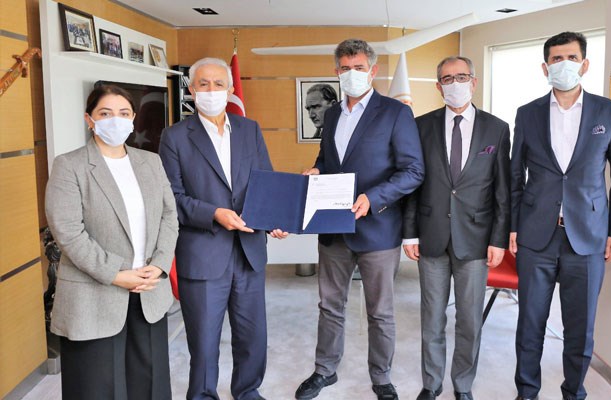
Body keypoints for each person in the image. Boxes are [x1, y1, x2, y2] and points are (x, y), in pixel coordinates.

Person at [294, 38, 424, 400]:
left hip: (378, 228)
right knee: (329, 306)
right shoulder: (333, 113)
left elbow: (413, 171)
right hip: (333, 228)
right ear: (336, 71)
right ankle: (325, 369)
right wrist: (317, 170)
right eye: (345, 68)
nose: (352, 74)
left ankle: (381, 376)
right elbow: (328, 159)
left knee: (380, 312)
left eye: (359, 68)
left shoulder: (395, 113)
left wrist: (374, 197)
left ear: (373, 70)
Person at [509, 31, 611, 400]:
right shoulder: (528, 113)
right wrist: (513, 227)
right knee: (530, 324)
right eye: (557, 59)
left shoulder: (608, 111)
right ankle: (526, 392)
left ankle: (574, 392)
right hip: (536, 236)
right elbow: (515, 177)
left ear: (585, 64)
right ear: (545, 67)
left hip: (589, 237)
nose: (564, 64)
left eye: (572, 58)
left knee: (580, 330)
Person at [158, 57, 288, 400]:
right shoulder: (174, 137)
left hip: (249, 251)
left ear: (231, 89)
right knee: (203, 341)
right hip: (202, 253)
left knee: (252, 335)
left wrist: (275, 218)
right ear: (191, 89)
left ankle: (247, 390)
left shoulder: (249, 129)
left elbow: (266, 183)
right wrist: (214, 213)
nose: (211, 90)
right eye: (203, 84)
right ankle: (202, 395)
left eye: (219, 84)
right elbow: (171, 198)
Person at [45, 84, 179, 400]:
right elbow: (69, 232)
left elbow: (169, 216)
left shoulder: (151, 161)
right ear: (89, 119)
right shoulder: (70, 165)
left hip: (148, 290)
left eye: (123, 113)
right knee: (98, 387)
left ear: (132, 119)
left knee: (150, 386)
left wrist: (160, 265)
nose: (115, 120)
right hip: (94, 294)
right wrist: (116, 274)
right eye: (105, 113)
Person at [403, 56, 511, 400]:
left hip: (476, 239)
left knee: (469, 320)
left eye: (461, 77)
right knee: (432, 317)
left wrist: (498, 239)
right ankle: (432, 383)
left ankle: (463, 385)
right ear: (438, 86)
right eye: (447, 79)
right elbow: (413, 185)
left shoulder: (497, 128)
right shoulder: (420, 126)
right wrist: (409, 232)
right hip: (431, 235)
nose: (455, 84)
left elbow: (503, 190)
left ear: (473, 82)